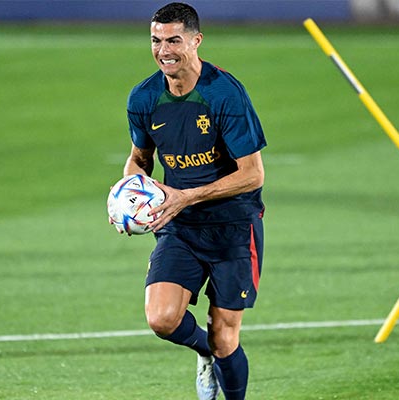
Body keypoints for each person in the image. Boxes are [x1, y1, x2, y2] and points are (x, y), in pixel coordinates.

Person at [118, 3, 266, 399]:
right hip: (179, 226)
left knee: (224, 335)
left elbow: (252, 174)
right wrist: (129, 193)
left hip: (233, 226)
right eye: (156, 40)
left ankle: (222, 370)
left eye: (173, 40)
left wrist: (186, 196)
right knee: (162, 319)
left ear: (196, 41)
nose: (163, 50)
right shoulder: (144, 98)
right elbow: (139, 158)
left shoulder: (224, 94)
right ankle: (205, 356)